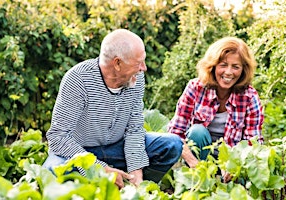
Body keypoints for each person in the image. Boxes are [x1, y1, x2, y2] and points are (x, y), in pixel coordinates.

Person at [42, 29, 183, 189]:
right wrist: (99, 168)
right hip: (80, 152)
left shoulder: (135, 78)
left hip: (117, 149)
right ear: (117, 63)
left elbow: (134, 129)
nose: (143, 68)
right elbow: (58, 136)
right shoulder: (78, 79)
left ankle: (132, 187)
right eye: (139, 63)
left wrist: (136, 172)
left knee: (172, 145)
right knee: (52, 171)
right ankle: (96, 185)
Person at [167, 36, 264, 182]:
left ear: (243, 70)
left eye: (235, 67)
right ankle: (195, 182)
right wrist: (194, 163)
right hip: (198, 158)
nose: (229, 72)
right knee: (197, 131)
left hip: (231, 161)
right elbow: (176, 133)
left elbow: (253, 142)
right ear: (212, 66)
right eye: (223, 65)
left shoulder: (249, 97)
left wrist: (233, 165)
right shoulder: (196, 88)